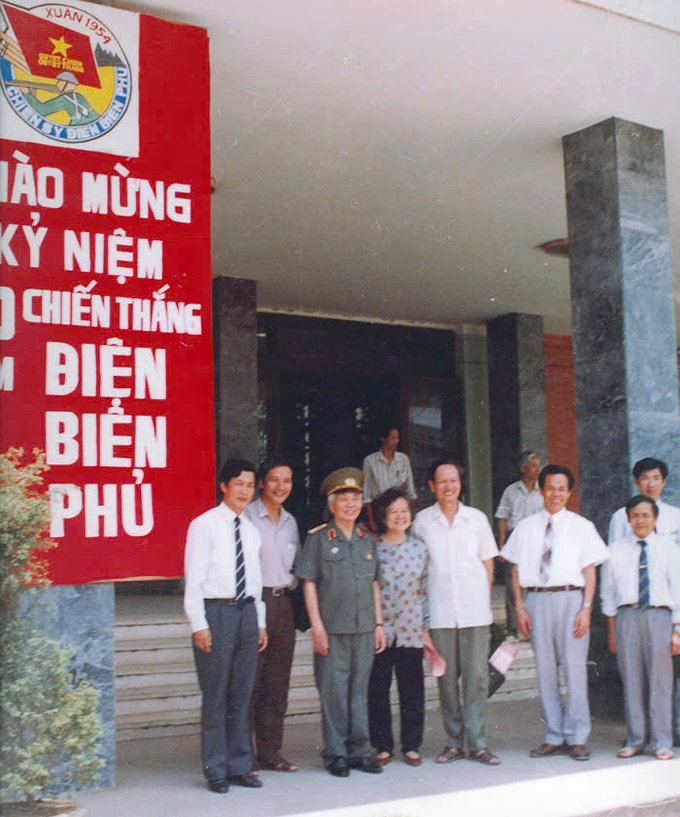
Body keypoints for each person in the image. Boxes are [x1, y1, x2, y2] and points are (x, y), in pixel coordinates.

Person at [501, 464, 609, 761]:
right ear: (541, 490)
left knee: (575, 671)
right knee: (546, 672)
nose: (556, 494)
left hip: (571, 600)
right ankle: (553, 735)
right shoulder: (526, 526)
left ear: (569, 492)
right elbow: (514, 568)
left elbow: (590, 571)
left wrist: (587, 608)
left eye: (562, 488)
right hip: (536, 602)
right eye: (550, 488)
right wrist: (520, 607)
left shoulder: (582, 526)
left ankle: (577, 737)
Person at [183, 459, 267, 794]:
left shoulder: (251, 530)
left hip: (246, 614)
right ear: (223, 486)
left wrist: (259, 622)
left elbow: (256, 581)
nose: (244, 491)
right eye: (238, 484)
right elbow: (193, 580)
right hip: (215, 613)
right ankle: (216, 769)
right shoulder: (203, 525)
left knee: (241, 694)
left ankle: (240, 765)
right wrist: (198, 624)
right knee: (216, 696)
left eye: (249, 485)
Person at [296, 467, 387, 777]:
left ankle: (360, 751)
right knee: (334, 691)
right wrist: (316, 626)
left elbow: (374, 583)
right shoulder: (320, 540)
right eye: (343, 499)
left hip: (363, 629)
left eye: (356, 498)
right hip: (332, 630)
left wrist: (378, 624)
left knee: (359, 691)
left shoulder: (366, 540)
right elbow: (308, 583)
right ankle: (335, 752)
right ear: (332, 504)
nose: (351, 504)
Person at [412, 459, 501, 766]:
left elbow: (488, 562)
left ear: (460, 484)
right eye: (443, 481)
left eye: (454, 481)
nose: (449, 486)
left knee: (476, 679)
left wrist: (483, 599)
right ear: (432, 486)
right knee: (446, 680)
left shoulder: (475, 519)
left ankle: (477, 743)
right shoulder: (422, 522)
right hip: (439, 613)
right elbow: (416, 567)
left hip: (474, 613)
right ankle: (453, 743)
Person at [601, 495, 680, 760]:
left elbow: (678, 590)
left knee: (661, 682)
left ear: (655, 518)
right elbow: (608, 595)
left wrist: (677, 629)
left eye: (646, 515)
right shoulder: (615, 550)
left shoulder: (668, 547)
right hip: (627, 617)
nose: (640, 520)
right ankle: (635, 739)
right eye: (635, 515)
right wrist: (612, 631)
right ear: (628, 518)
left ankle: (662, 741)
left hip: (659, 617)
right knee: (631, 680)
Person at [368, 487, 431, 768]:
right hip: (381, 629)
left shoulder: (420, 548)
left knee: (412, 689)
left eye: (404, 511)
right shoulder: (372, 548)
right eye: (393, 512)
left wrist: (426, 628)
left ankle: (411, 745)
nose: (400, 516)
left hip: (411, 628)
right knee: (378, 688)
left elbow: (425, 589)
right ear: (383, 516)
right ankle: (382, 746)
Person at [244, 459, 300, 772]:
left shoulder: (291, 521)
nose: (281, 487)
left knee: (277, 684)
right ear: (262, 482)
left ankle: (271, 752)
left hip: (284, 605)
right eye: (274, 480)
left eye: (287, 480)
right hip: (255, 601)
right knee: (250, 683)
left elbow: (296, 567)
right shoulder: (248, 517)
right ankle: (245, 755)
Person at [495, 451, 544, 639]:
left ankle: (533, 626)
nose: (538, 469)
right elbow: (502, 518)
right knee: (511, 584)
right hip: (514, 539)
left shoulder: (543, 491)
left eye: (539, 465)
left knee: (534, 582)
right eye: (533, 465)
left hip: (537, 540)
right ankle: (513, 628)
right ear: (523, 469)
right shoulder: (511, 491)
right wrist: (501, 544)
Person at [608, 457, 680, 546]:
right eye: (645, 478)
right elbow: (615, 551)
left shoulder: (676, 516)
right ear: (636, 482)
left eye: (656, 478)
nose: (651, 484)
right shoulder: (620, 516)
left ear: (663, 482)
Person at [363, 426, 417, 531]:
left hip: (399, 514)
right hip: (379, 513)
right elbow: (367, 494)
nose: (396, 441)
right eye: (393, 438)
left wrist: (411, 516)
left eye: (397, 438)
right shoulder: (370, 461)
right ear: (383, 439)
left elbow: (411, 491)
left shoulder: (403, 459)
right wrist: (371, 521)